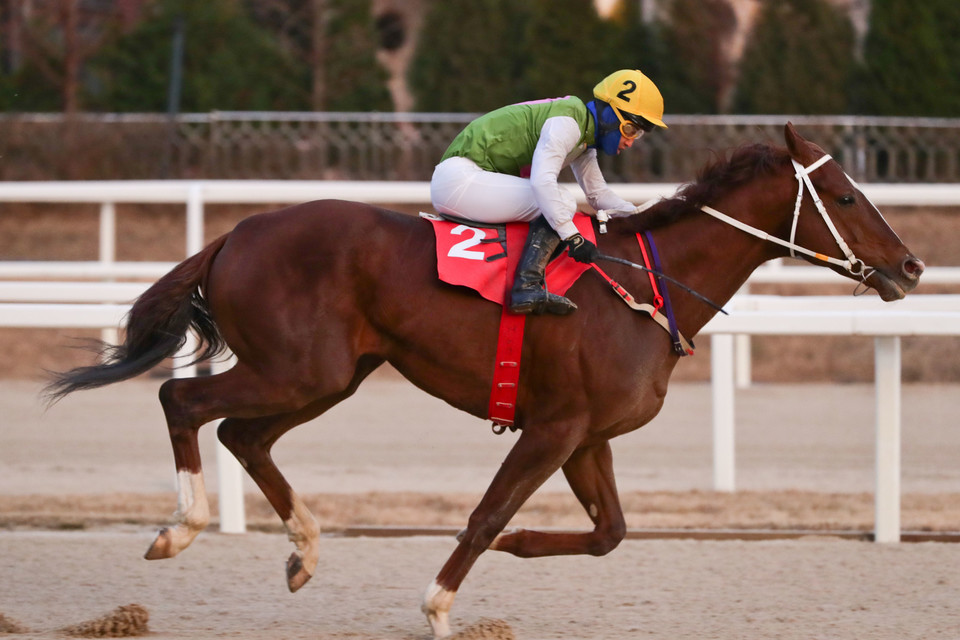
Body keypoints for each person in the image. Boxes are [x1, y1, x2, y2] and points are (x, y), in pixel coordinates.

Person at [430, 68, 667, 316]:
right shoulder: (567, 123)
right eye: (630, 129)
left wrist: (643, 214)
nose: (630, 141)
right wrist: (572, 237)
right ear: (610, 115)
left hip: (467, 181)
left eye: (638, 134)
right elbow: (542, 182)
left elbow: (598, 196)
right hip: (461, 180)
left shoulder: (584, 139)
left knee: (561, 201)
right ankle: (527, 284)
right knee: (562, 199)